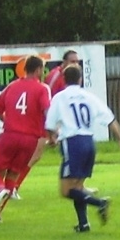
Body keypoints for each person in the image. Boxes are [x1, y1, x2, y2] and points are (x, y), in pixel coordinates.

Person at [45, 65, 120, 233]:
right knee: (77, 187)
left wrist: (52, 138)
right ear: (80, 79)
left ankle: (100, 203)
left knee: (66, 190)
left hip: (72, 143)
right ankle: (83, 224)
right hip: (89, 143)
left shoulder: (60, 97)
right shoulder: (88, 96)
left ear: (64, 80)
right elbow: (109, 117)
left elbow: (49, 124)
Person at [11, 50, 82, 200]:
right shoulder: (56, 76)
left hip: (57, 120)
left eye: (77, 61)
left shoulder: (70, 77)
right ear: (64, 63)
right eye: (72, 61)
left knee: (69, 151)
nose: (76, 64)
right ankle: (12, 186)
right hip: (45, 121)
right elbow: (45, 100)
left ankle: (78, 185)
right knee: (34, 156)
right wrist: (52, 130)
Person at [0, 54, 51, 223]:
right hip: (29, 140)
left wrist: (7, 120)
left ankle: (0, 190)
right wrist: (51, 133)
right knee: (13, 176)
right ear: (38, 70)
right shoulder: (43, 88)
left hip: (9, 135)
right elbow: (47, 111)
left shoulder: (12, 86)